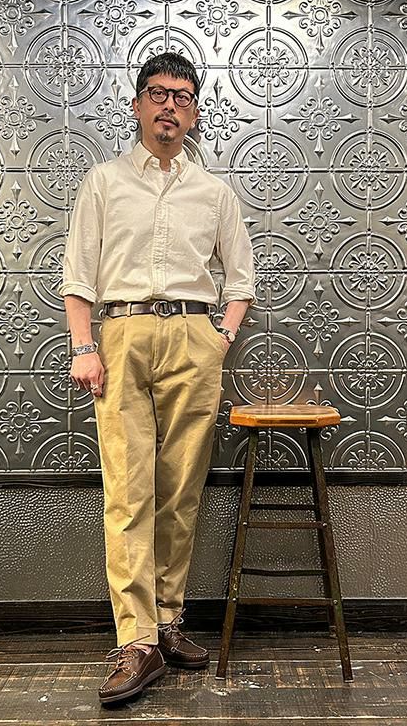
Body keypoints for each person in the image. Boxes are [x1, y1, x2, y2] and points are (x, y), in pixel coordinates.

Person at [58, 52, 255, 705]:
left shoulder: (214, 192)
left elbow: (241, 281)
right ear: (139, 104)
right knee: (128, 490)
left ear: (194, 112)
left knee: (181, 491)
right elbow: (79, 275)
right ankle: (137, 641)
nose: (170, 105)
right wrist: (84, 346)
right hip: (122, 336)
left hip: (195, 339)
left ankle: (168, 621)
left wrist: (219, 340)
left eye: (182, 96)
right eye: (158, 93)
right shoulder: (104, 182)